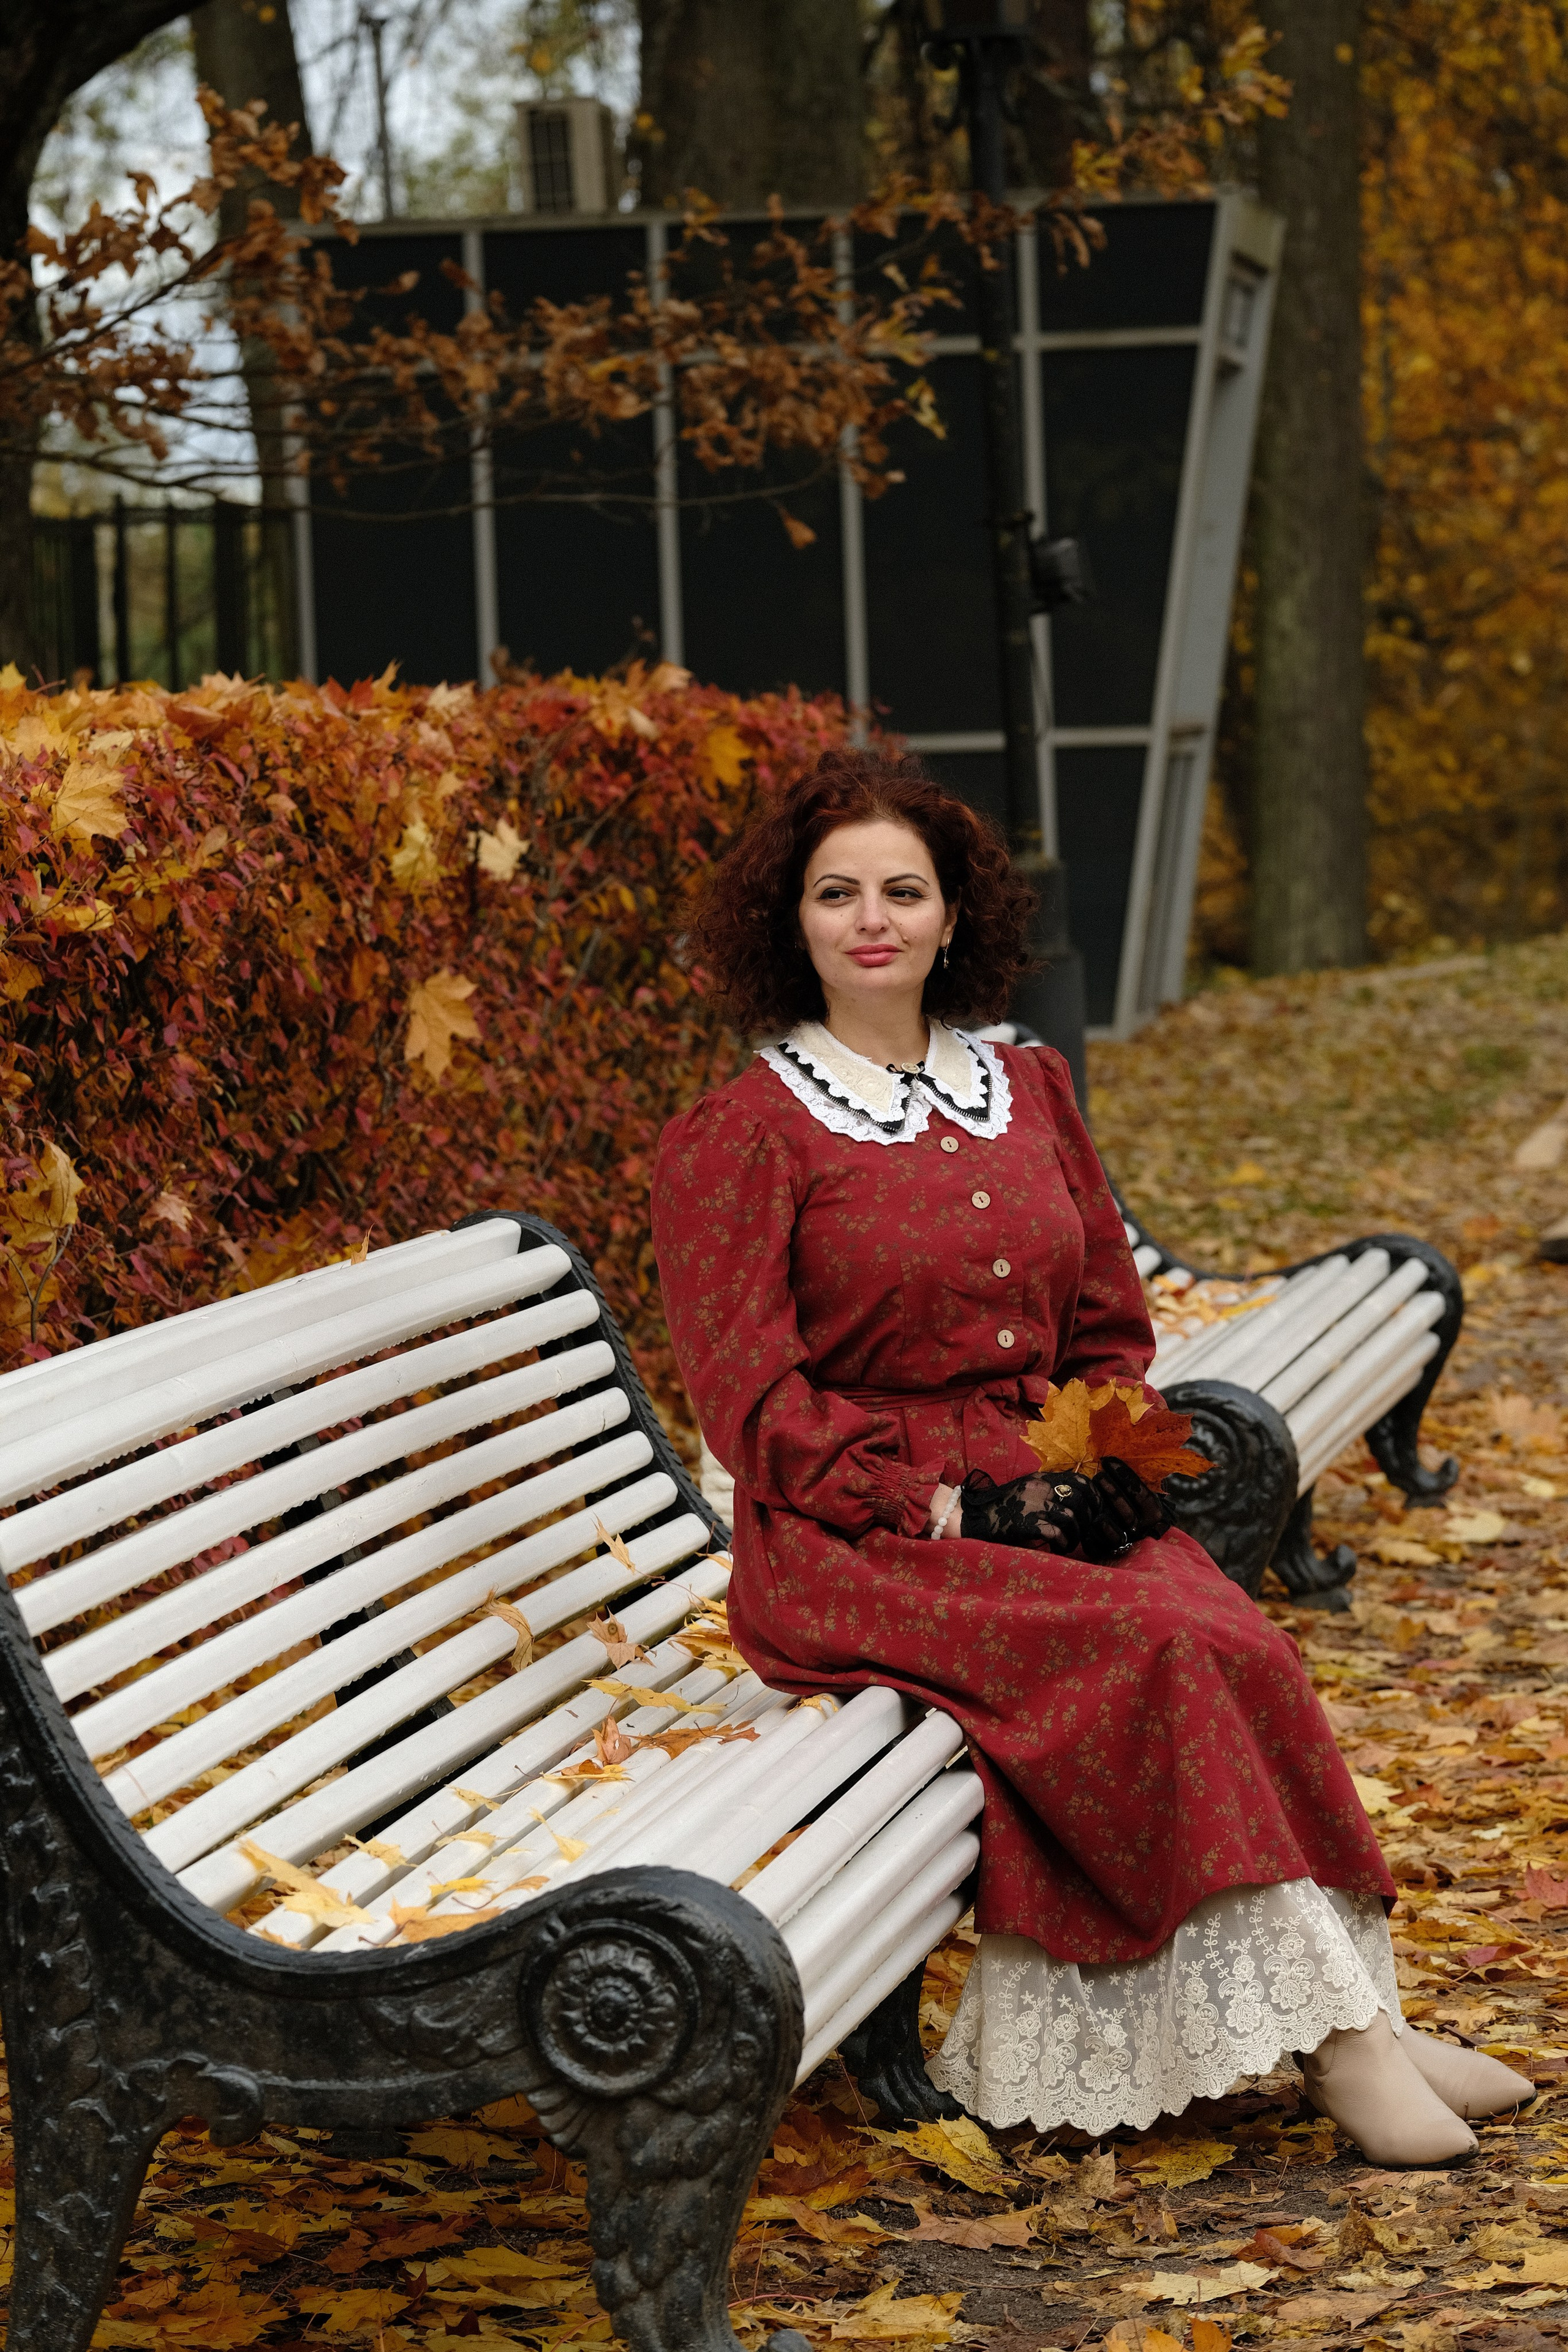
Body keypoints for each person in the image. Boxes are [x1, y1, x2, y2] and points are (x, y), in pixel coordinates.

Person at [650, 747, 1531, 2164]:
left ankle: (1353, 2000)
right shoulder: (740, 1136)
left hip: (1040, 1498)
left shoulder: (1026, 1086)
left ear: (952, 917)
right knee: (1158, 1648)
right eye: (834, 894)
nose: (870, 919)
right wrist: (942, 1496)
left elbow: (1106, 1322)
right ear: (789, 922)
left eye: (901, 890)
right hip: (854, 1540)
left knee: (1232, 1635)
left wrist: (1106, 1455)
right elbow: (750, 1407)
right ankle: (1340, 2045)